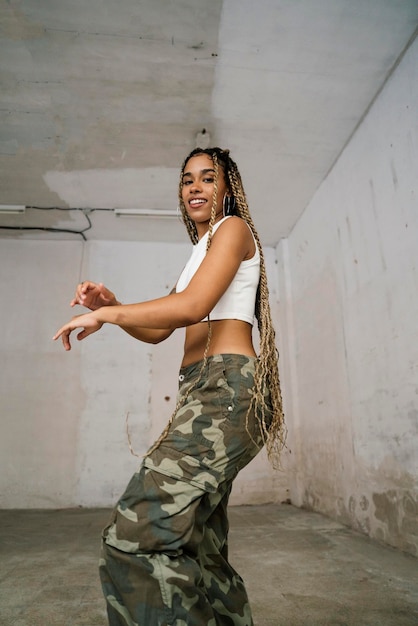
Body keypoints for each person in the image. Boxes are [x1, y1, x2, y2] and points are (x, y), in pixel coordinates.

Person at [54, 147, 286, 626]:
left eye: (207, 177)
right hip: (206, 392)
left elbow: (189, 306)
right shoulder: (201, 251)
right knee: (199, 548)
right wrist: (115, 305)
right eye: (186, 180)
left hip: (226, 391)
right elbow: (164, 327)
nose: (195, 187)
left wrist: (106, 313)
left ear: (228, 188)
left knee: (137, 534)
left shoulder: (232, 230)